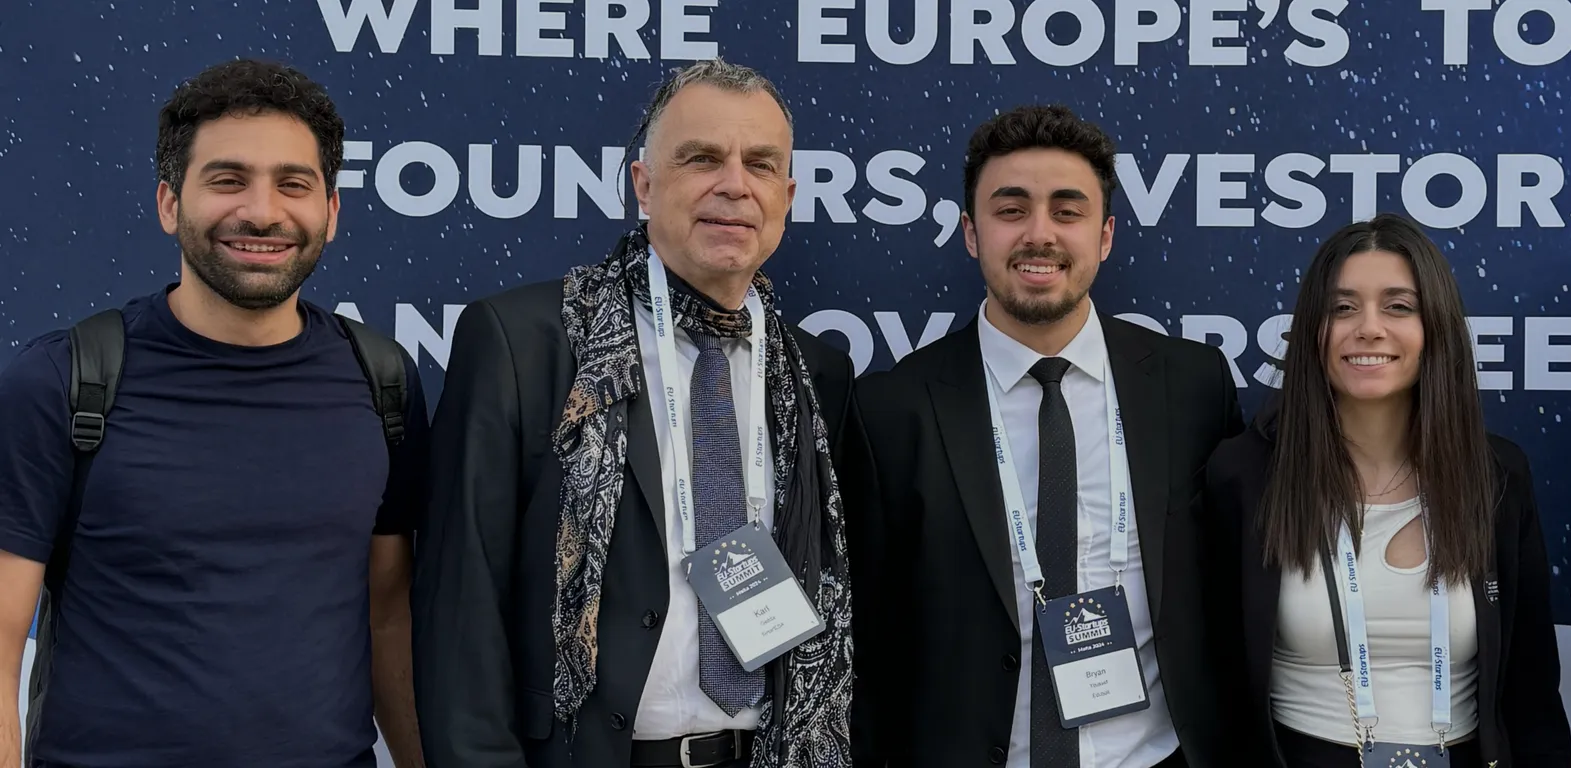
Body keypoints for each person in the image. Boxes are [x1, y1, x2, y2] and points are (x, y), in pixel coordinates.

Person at [412, 58, 868, 768]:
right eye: (702, 158)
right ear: (644, 185)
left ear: (786, 196)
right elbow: (460, 610)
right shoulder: (522, 344)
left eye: (760, 164)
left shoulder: (816, 376)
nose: (734, 185)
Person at [0, 59, 428, 768]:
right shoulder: (61, 381)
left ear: (331, 212)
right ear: (170, 204)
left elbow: (389, 617)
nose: (262, 212)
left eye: (293, 184)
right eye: (228, 180)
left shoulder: (381, 381)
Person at [848, 104, 1244, 768]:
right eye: (1011, 210)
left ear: (1105, 235)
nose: (1040, 234)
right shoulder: (893, 410)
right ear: (971, 233)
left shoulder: (1192, 387)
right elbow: (869, 635)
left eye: (1067, 211)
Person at [1201, 214, 1571, 768]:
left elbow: (1531, 689)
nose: (1369, 328)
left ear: (1435, 327)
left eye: (1398, 306)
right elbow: (1216, 678)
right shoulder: (1246, 473)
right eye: (1342, 308)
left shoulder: (1496, 474)